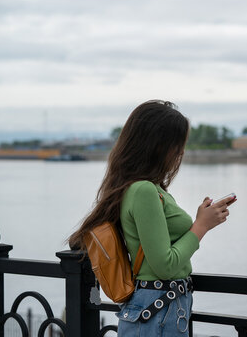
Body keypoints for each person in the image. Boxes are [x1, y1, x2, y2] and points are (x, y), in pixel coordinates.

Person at [68, 100, 236, 336]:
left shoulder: (147, 188)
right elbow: (164, 265)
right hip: (158, 307)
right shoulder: (144, 190)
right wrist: (202, 225)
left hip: (161, 307)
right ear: (158, 145)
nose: (181, 151)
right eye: (177, 144)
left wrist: (200, 219)